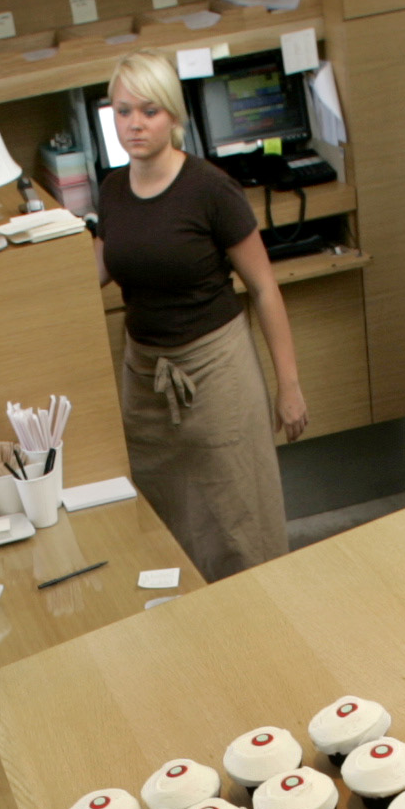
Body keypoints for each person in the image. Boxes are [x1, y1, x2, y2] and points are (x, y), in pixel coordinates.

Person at [96, 50, 307, 581]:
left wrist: (289, 386)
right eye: (123, 112)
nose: (135, 124)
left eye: (149, 111)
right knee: (163, 517)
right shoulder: (113, 190)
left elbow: (263, 288)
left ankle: (262, 621)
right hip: (144, 374)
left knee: (239, 516)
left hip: (216, 368)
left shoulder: (209, 188)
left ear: (173, 115)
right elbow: (96, 271)